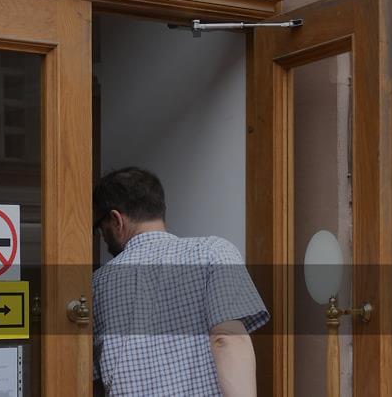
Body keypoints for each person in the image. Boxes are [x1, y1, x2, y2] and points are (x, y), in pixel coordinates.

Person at [92, 166, 269, 396]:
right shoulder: (213, 252)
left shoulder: (96, 285)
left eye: (100, 228)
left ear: (116, 220)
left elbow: (91, 380)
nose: (102, 237)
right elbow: (227, 339)